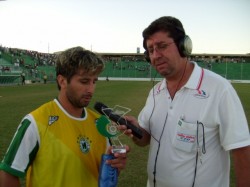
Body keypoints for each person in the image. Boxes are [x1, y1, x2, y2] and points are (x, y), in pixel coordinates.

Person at [121, 16, 250, 187]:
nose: (155, 56)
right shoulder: (155, 92)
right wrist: (135, 129)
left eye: (162, 46)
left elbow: (242, 150)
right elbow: (145, 139)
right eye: (151, 50)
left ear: (184, 46)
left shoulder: (219, 89)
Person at [0, 46, 129, 187]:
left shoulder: (101, 123)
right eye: (84, 82)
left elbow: (105, 174)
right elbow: (8, 173)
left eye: (94, 81)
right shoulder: (35, 122)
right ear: (62, 81)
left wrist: (114, 165)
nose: (91, 89)